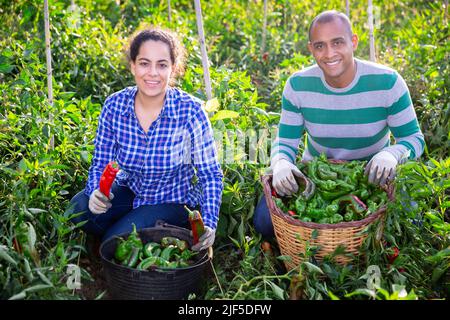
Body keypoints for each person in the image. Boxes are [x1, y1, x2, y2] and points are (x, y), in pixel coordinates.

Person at [254, 10, 425, 237]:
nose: (329, 53)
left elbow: (414, 139)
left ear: (353, 42)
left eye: (337, 42)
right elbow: (285, 141)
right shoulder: (298, 86)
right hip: (316, 177)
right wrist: (280, 163)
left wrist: (392, 154)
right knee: (264, 222)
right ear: (311, 49)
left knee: (412, 221)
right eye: (320, 46)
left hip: (373, 176)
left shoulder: (388, 82)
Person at [66, 27, 223, 252]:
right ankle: (137, 225)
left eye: (162, 65)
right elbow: (101, 161)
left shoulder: (190, 111)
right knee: (79, 209)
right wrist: (94, 192)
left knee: (114, 243)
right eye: (144, 63)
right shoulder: (115, 105)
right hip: (132, 189)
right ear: (132, 65)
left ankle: (147, 228)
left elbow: (210, 174)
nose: (152, 73)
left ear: (173, 69)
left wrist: (208, 222)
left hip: (172, 199)